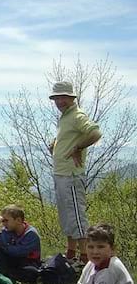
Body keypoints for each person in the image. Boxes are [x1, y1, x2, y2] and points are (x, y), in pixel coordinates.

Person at [49, 81, 102, 264]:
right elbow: (69, 137)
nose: (59, 101)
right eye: (57, 98)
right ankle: (71, 254)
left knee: (77, 217)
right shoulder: (65, 117)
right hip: (61, 173)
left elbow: (95, 133)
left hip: (71, 175)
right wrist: (56, 146)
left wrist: (78, 147)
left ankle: (85, 259)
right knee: (66, 216)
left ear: (72, 98)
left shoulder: (77, 115)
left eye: (63, 97)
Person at [0, 205, 41, 283]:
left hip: (27, 262)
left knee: (32, 272)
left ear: (18, 220)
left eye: (6, 220)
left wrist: (1, 244)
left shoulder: (31, 234)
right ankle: (0, 275)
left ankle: (0, 274)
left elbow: (18, 252)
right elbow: (1, 246)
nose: (4, 224)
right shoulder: (7, 230)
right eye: (2, 221)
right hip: (12, 260)